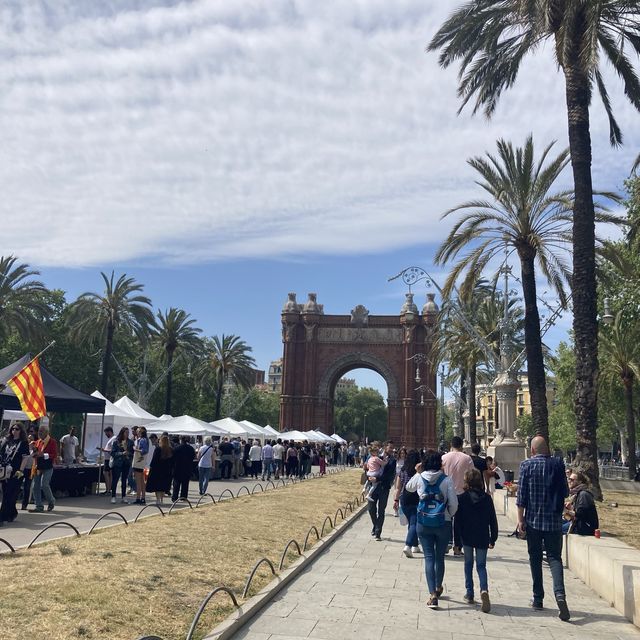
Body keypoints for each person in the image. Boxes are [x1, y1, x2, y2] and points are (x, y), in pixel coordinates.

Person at [516, 435, 571, 621]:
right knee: (555, 558)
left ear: (532, 450)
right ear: (547, 449)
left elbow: (521, 496)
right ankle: (560, 595)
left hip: (532, 521)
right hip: (554, 521)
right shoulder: (558, 464)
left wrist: (520, 520)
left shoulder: (526, 465)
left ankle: (538, 598)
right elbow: (565, 492)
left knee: (535, 558)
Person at [405, 451, 458, 609]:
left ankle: (432, 594)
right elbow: (454, 503)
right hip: (443, 522)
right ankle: (438, 586)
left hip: (423, 521)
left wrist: (417, 471)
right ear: (439, 463)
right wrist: (449, 515)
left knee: (429, 557)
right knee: (439, 557)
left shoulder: (420, 477)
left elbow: (408, 488)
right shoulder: (446, 480)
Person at [455, 468, 498, 612]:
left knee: (468, 564)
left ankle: (469, 593)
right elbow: (493, 520)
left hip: (467, 535)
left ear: (466, 481)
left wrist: (457, 542)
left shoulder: (462, 498)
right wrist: (493, 538)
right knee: (481, 565)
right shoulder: (487, 498)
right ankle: (484, 589)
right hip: (482, 535)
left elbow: (458, 522)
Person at [442, 436, 474, 556]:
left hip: (446, 493)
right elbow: (471, 474)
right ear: (461, 446)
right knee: (460, 521)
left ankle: (446, 543)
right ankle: (458, 547)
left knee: (446, 518)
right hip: (462, 493)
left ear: (451, 444)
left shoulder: (444, 457)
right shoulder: (467, 458)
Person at [0, 423, 30, 525]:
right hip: (5, 470)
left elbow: (25, 458)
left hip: (16, 471)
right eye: (13, 429)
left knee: (10, 493)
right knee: (6, 493)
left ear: (21, 431)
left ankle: (2, 516)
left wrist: (21, 471)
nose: (14, 431)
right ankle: (12, 513)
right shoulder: (7, 440)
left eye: (17, 429)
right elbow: (2, 453)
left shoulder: (23, 442)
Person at [393, 449, 421, 558]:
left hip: (404, 498)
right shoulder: (420, 472)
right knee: (414, 523)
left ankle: (415, 545)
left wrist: (396, 500)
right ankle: (408, 545)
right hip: (416, 498)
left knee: (411, 522)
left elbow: (398, 487)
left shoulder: (403, 470)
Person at [368, 442, 396, 541]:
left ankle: (378, 532)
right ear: (385, 447)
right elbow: (368, 467)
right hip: (373, 487)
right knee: (371, 509)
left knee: (381, 510)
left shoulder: (392, 461)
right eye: (390, 447)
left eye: (393, 448)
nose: (392, 449)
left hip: (384, 487)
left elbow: (388, 475)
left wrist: (377, 479)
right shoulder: (375, 455)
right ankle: (376, 525)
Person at [31, 425, 58, 512]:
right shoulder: (38, 442)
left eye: (42, 431)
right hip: (38, 466)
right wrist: (34, 450)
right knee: (35, 486)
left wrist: (44, 455)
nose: (39, 433)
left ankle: (51, 501)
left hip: (48, 467)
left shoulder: (52, 441)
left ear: (47, 432)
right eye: (39, 431)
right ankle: (39, 506)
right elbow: (35, 453)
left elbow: (54, 455)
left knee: (45, 485)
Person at [563, 471, 599, 536]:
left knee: (557, 529)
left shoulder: (583, 494)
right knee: (556, 522)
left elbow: (580, 514)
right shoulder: (577, 494)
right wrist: (570, 508)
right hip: (578, 522)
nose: (569, 481)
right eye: (568, 478)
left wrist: (566, 510)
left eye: (572, 480)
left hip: (585, 527)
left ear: (580, 482)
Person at [146, 435, 174, 505]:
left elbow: (154, 460)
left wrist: (151, 467)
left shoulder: (158, 449)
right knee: (163, 486)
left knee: (157, 486)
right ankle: (161, 499)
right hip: (167, 471)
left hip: (157, 470)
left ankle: (158, 499)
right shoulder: (170, 450)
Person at [110, 427, 133, 504]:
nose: (127, 434)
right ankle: (113, 496)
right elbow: (112, 453)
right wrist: (121, 453)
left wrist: (128, 454)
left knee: (124, 480)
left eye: (128, 432)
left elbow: (132, 453)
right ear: (122, 433)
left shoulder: (130, 442)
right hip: (118, 463)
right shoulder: (116, 442)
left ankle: (124, 496)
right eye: (126, 432)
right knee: (115, 480)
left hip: (126, 463)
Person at [172, 436, 196, 501]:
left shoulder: (177, 448)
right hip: (187, 468)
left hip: (177, 467)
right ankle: (183, 497)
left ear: (181, 440)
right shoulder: (191, 448)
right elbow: (193, 457)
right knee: (185, 484)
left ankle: (174, 497)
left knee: (176, 484)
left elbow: (173, 458)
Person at [132, 426, 149, 505]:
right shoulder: (144, 440)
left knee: (139, 481)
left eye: (138, 431)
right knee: (142, 481)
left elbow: (144, 451)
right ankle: (142, 498)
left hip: (139, 463)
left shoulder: (142, 440)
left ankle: (139, 498)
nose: (137, 432)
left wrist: (135, 449)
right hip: (142, 463)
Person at [100, 426, 115, 495]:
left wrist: (104, 450)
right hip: (107, 458)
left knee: (106, 473)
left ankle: (108, 489)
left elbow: (112, 450)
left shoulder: (113, 439)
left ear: (109, 432)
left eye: (106, 433)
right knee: (108, 473)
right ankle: (108, 489)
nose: (106, 435)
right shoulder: (111, 439)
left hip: (109, 459)